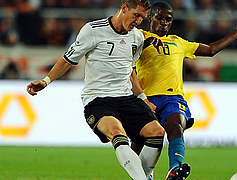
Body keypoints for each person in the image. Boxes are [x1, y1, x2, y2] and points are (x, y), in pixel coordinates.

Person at [26, 1, 166, 179]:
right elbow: (68, 59)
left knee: (157, 133)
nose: (138, 21)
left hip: (126, 98)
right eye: (136, 15)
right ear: (123, 8)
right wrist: (46, 81)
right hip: (98, 100)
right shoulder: (93, 30)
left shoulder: (137, 37)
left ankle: (144, 177)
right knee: (117, 133)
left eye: (142, 18)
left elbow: (130, 70)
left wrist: (143, 97)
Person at [131, 2, 237, 180]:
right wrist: (145, 41)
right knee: (139, 144)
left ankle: (175, 170)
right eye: (160, 17)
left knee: (176, 125)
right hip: (145, 98)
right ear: (150, 18)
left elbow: (211, 50)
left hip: (172, 98)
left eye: (168, 19)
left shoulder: (178, 42)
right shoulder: (138, 36)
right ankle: (145, 176)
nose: (164, 22)